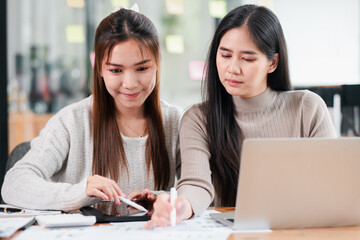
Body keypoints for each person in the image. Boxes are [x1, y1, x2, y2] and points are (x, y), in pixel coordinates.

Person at [145, 4, 336, 228]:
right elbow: (196, 184)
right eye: (225, 55)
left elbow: (329, 185)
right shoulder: (198, 118)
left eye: (247, 59)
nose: (232, 68)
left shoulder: (307, 108)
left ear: (272, 63)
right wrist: (181, 205)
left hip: (296, 230)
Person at [1, 7, 181, 212]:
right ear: (99, 68)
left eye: (142, 68)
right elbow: (14, 184)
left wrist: (161, 199)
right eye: (115, 70)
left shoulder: (175, 121)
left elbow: (197, 190)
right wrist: (80, 192)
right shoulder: (72, 121)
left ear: (157, 64)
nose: (130, 83)